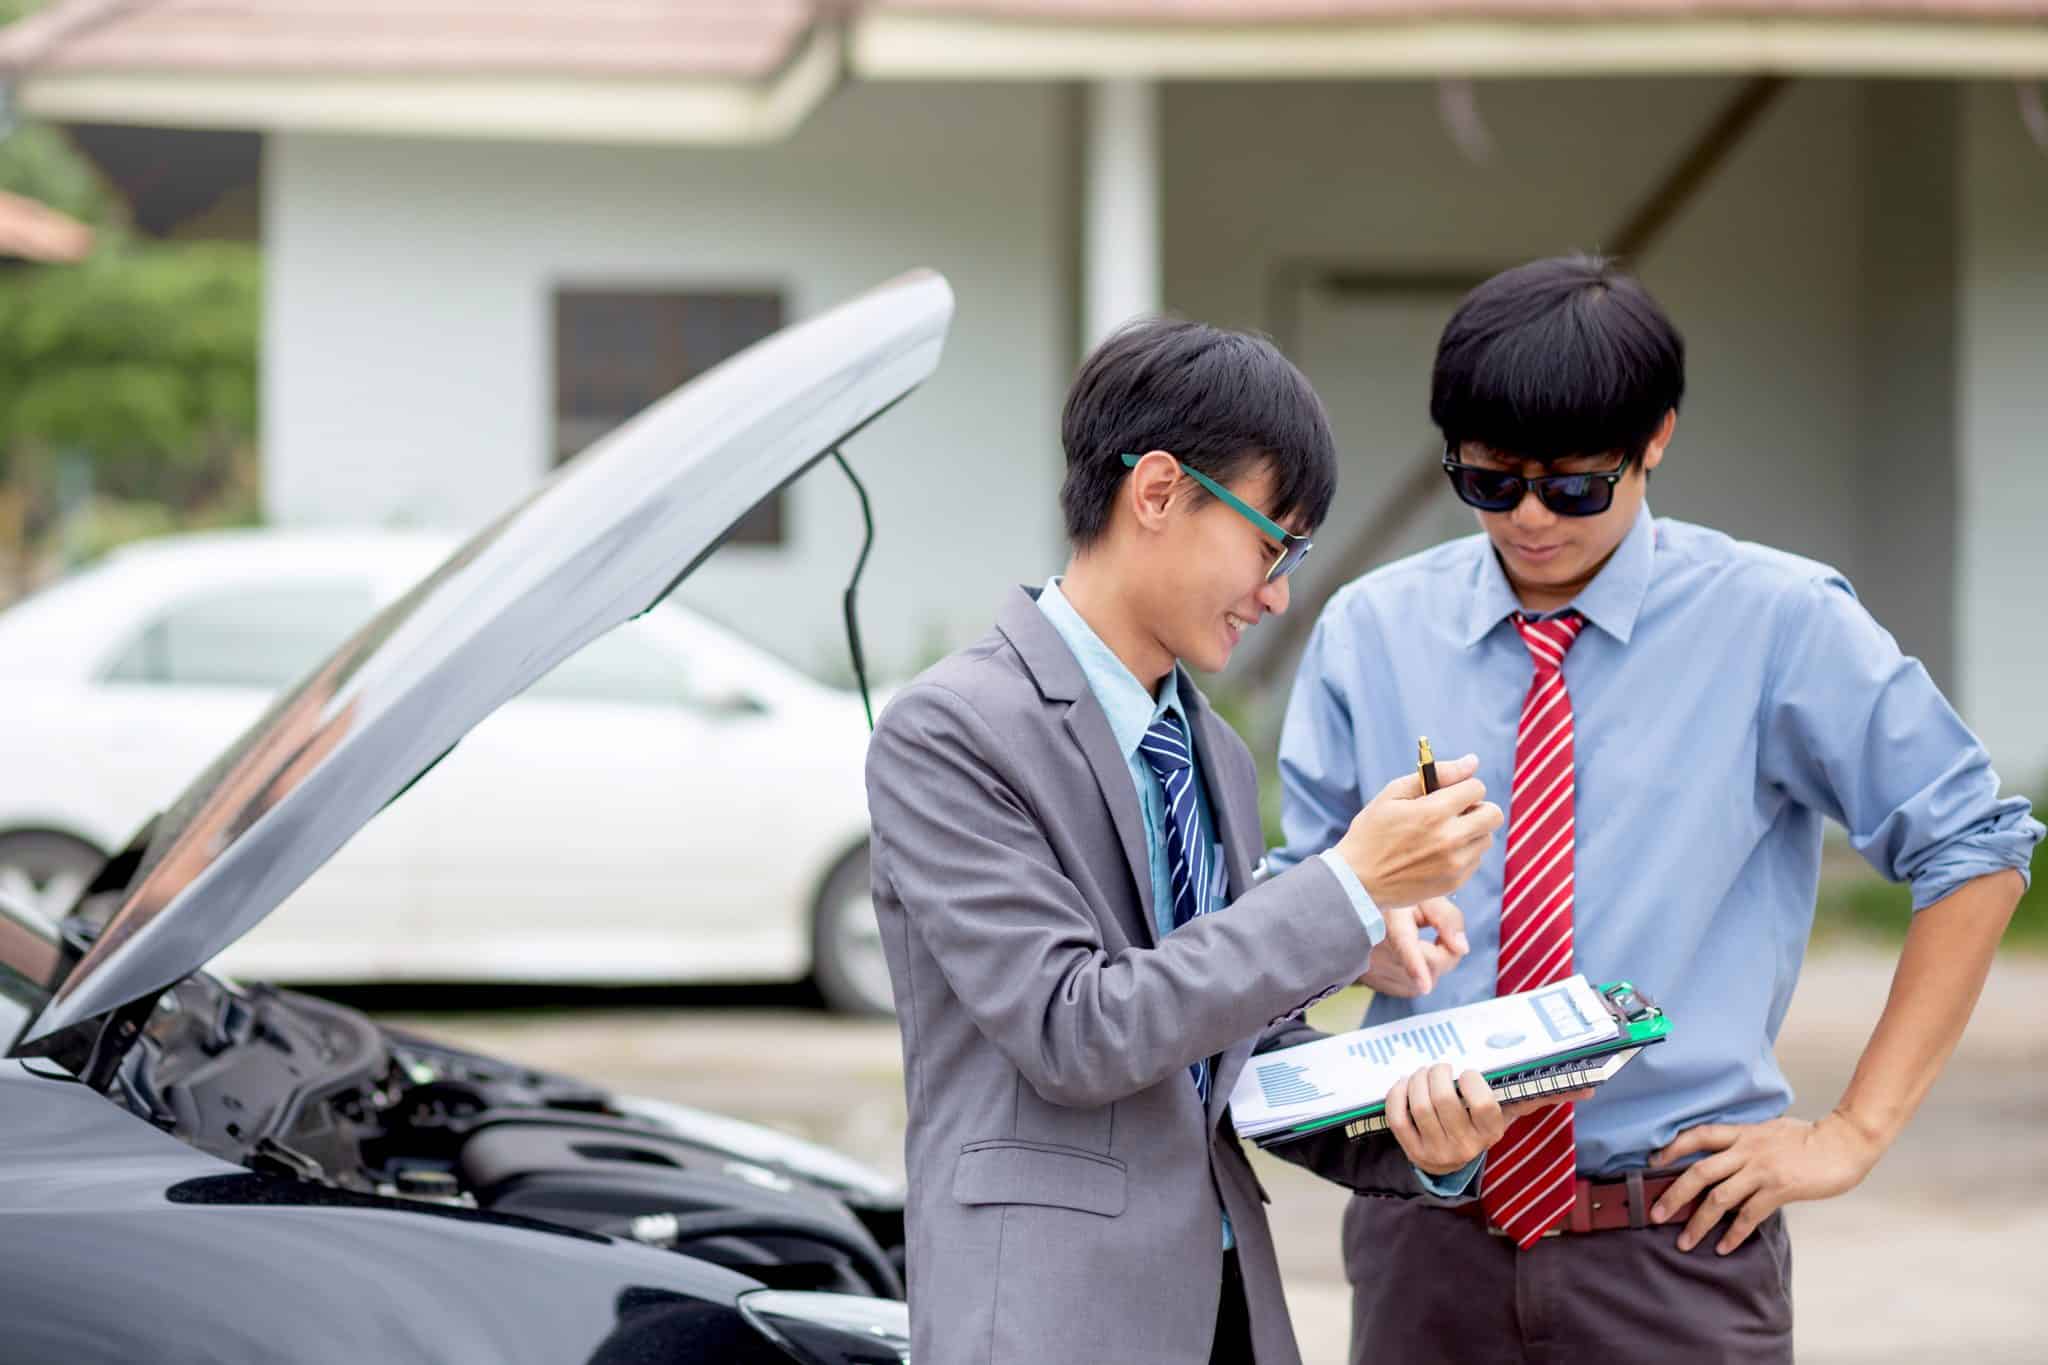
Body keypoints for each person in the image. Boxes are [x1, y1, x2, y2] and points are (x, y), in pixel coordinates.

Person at [1268, 254, 2043, 1363]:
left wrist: (1853, 1131)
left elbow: (1974, 847)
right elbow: (1307, 899)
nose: (1529, 518)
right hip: (1424, 1235)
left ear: (1656, 440)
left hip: (1674, 1243)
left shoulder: (1777, 623)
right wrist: (1359, 933)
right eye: (1489, 482)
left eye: (1573, 485)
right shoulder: (1369, 632)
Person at [864, 318, 1573, 1364]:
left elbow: (1228, 1059)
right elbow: (1077, 1030)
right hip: (1049, 1324)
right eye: (1268, 541)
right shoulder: (951, 730)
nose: (1278, 590)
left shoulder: (1212, 754)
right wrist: (1344, 887)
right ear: (1155, 491)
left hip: (1229, 1312)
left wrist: (1426, 1135)